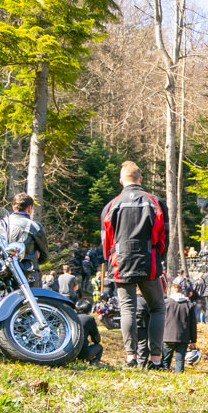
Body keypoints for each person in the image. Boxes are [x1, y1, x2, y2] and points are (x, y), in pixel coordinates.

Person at [101, 160, 169, 370]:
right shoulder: (155, 202)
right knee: (157, 307)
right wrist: (159, 258)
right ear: (141, 179)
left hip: (121, 262)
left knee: (127, 308)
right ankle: (156, 359)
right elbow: (163, 236)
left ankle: (131, 357)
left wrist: (110, 259)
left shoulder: (111, 206)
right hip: (148, 261)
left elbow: (106, 240)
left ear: (121, 181)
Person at [0, 193, 49, 287]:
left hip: (4, 276)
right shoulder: (35, 227)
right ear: (29, 208)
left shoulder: (0, 224)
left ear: (13, 207)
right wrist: (34, 255)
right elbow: (45, 257)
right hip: (29, 277)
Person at [162, 283, 198, 373]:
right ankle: (179, 378)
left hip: (167, 335)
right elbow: (193, 324)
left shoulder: (165, 303)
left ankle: (164, 378)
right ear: (181, 292)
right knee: (180, 361)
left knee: (165, 361)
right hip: (183, 336)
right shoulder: (188, 305)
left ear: (171, 291)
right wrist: (193, 340)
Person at [75, 299, 103, 365]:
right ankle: (93, 362)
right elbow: (96, 339)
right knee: (99, 347)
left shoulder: (70, 316)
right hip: (82, 353)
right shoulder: (89, 319)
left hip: (67, 353)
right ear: (89, 311)